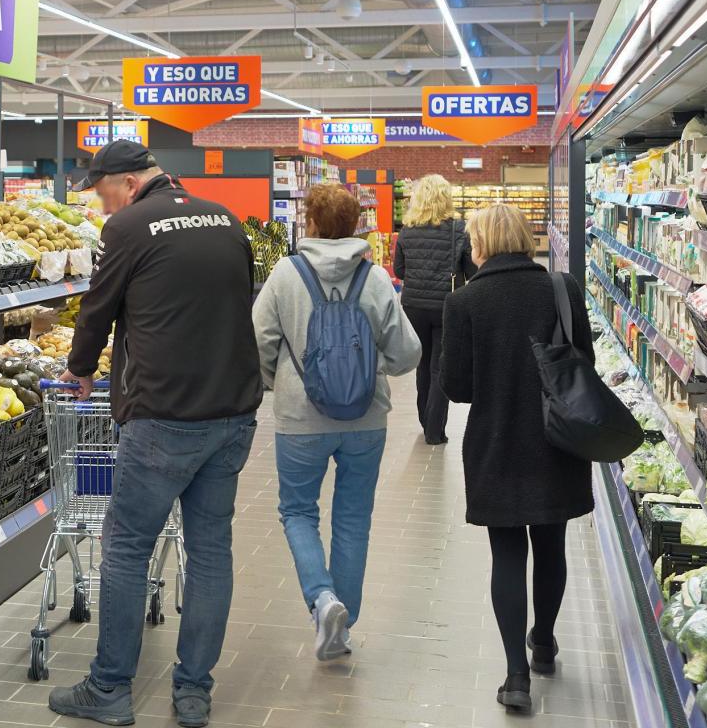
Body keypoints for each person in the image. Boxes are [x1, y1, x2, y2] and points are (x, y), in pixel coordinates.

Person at [49, 139, 261, 728]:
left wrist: (82, 368)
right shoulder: (223, 219)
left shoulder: (129, 228)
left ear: (127, 182)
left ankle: (110, 688)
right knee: (210, 551)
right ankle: (193, 691)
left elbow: (97, 309)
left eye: (102, 193)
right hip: (232, 410)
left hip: (165, 415)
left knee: (126, 545)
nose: (102, 206)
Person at [252, 184, 420, 663]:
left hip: (299, 420)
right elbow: (408, 352)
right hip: (367, 420)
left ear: (310, 223)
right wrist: (375, 369)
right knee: (353, 516)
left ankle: (322, 598)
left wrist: (279, 382)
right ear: (355, 224)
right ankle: (344, 622)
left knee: (299, 511)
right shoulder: (375, 278)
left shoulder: (285, 274)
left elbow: (258, 340)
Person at [440, 204, 592, 713]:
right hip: (557, 442)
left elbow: (457, 389)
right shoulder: (561, 288)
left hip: (497, 442)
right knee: (551, 546)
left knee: (507, 555)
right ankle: (544, 643)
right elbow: (584, 363)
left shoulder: (464, 302)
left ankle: (516, 676)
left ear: (479, 244)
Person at [393, 174, 475, 444]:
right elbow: (471, 268)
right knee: (441, 365)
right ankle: (434, 429)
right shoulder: (458, 228)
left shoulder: (407, 229)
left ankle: (424, 418)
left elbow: (399, 270)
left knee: (422, 365)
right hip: (446, 305)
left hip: (414, 305)